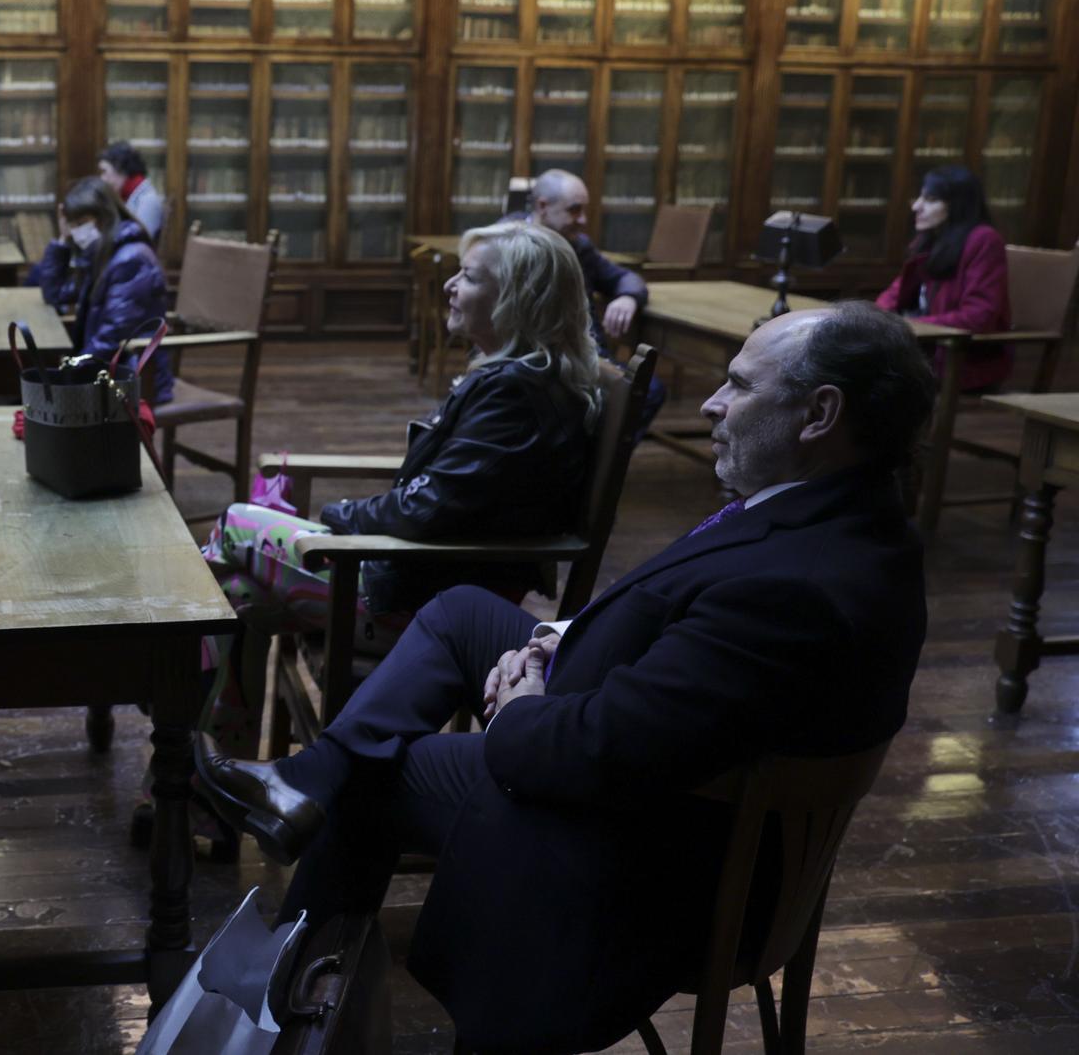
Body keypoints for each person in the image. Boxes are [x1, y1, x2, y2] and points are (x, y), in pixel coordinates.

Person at [194, 301, 934, 1055]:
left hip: (650, 862)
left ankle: (282, 1014)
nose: (710, 403)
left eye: (739, 386)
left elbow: (597, 751)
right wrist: (554, 637)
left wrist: (523, 701)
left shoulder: (795, 589)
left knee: (373, 778)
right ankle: (306, 780)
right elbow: (682, 645)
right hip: (644, 749)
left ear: (820, 413)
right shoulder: (840, 516)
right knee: (460, 613)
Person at [199, 221, 599, 755]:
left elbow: (423, 510)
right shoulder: (519, 381)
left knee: (235, 526)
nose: (450, 286)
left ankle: (187, 753)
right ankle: (209, 774)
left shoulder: (516, 395)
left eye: (470, 278)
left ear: (519, 301)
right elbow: (440, 497)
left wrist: (338, 516)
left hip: (413, 605)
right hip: (420, 577)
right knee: (237, 601)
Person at [509, 167, 664, 429]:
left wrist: (628, 297)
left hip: (587, 355)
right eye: (574, 210)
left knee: (647, 391)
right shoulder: (508, 243)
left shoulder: (578, 245)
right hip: (535, 358)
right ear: (543, 206)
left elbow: (624, 278)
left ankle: (602, 462)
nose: (583, 220)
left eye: (583, 210)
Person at [26, 177, 173, 403]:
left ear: (105, 217)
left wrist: (72, 371)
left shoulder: (131, 259)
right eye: (72, 224)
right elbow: (54, 294)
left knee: (42, 398)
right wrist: (62, 240)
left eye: (82, 222)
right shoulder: (103, 252)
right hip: (107, 369)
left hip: (133, 377)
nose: (77, 232)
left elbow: (113, 337)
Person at [876, 164, 1013, 392]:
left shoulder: (985, 240)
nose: (916, 206)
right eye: (920, 197)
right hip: (923, 347)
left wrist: (910, 326)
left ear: (956, 205)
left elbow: (979, 316)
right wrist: (876, 319)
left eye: (930, 200)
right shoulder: (929, 239)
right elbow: (894, 294)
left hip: (960, 357)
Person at [96, 141, 165, 243]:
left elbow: (140, 242)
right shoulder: (129, 195)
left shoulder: (148, 200)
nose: (102, 179)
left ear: (120, 168)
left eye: (104, 171)